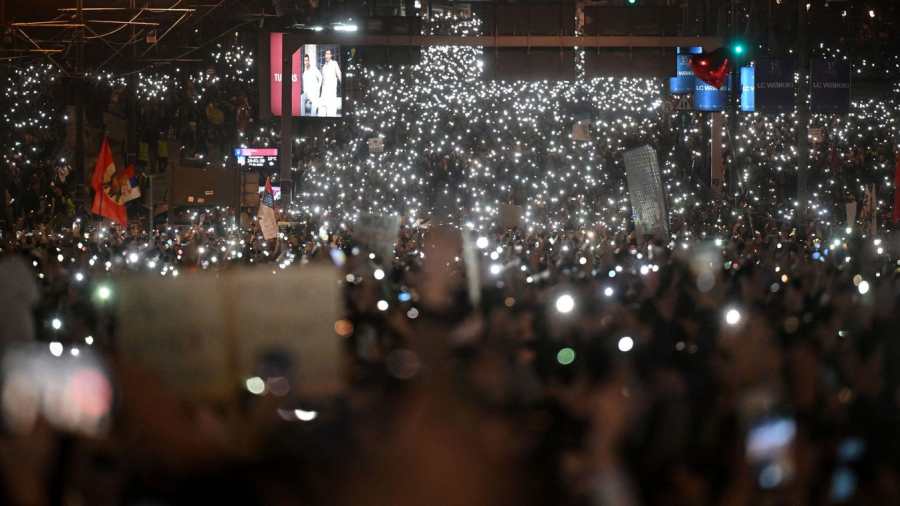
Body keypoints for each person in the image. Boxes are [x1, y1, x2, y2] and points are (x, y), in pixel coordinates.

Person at [318, 48, 342, 117]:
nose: (327, 55)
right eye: (326, 54)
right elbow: (322, 81)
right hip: (324, 94)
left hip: (331, 94)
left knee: (331, 114)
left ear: (331, 55)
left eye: (328, 54)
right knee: (321, 113)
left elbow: (339, 75)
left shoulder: (334, 63)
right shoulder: (324, 67)